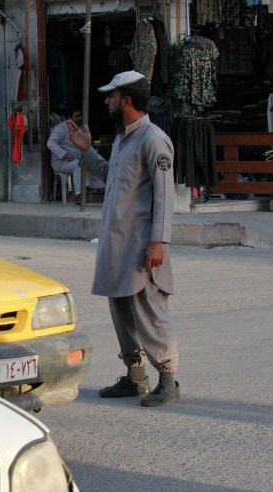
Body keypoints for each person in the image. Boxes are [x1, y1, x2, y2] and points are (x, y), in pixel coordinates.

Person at [67, 70, 179, 407]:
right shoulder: (122, 139)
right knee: (122, 310)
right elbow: (109, 175)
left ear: (127, 100)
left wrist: (159, 242)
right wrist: (87, 152)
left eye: (112, 96)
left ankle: (168, 380)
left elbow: (165, 195)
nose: (107, 101)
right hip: (117, 246)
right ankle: (135, 378)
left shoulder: (153, 140)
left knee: (148, 312)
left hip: (143, 246)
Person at [47, 107, 105, 204]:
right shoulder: (60, 128)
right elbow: (50, 143)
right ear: (69, 118)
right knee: (79, 165)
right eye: (77, 116)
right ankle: (79, 195)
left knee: (95, 161)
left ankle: (101, 188)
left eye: (80, 116)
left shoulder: (80, 129)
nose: (80, 118)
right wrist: (64, 154)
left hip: (75, 160)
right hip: (60, 162)